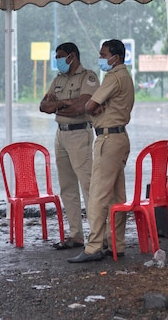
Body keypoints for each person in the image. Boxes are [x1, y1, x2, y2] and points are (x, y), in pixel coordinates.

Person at [68, 39, 134, 263]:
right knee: (117, 196)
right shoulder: (125, 76)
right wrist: (98, 107)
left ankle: (94, 246)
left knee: (97, 195)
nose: (101, 59)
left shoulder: (114, 77)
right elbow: (96, 105)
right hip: (119, 137)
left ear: (115, 57)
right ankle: (117, 243)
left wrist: (94, 107)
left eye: (104, 54)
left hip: (108, 139)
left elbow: (89, 105)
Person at [39, 43, 99, 250]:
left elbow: (83, 106)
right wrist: (65, 104)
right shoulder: (58, 79)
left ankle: (98, 236)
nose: (58, 60)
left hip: (79, 133)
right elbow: (43, 106)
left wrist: (57, 104)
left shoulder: (87, 77)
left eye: (61, 57)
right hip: (61, 135)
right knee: (67, 187)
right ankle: (76, 235)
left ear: (72, 56)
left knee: (88, 185)